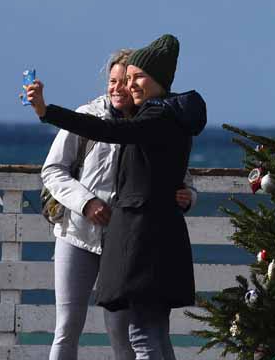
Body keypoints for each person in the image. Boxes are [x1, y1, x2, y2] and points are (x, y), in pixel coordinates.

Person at [26, 34, 206, 360]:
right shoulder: (103, 114)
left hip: (130, 242)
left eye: (130, 79)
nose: (121, 87)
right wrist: (86, 202)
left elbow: (177, 175)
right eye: (115, 80)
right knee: (74, 327)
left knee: (131, 336)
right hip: (82, 234)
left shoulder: (150, 118)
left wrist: (188, 195)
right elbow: (53, 170)